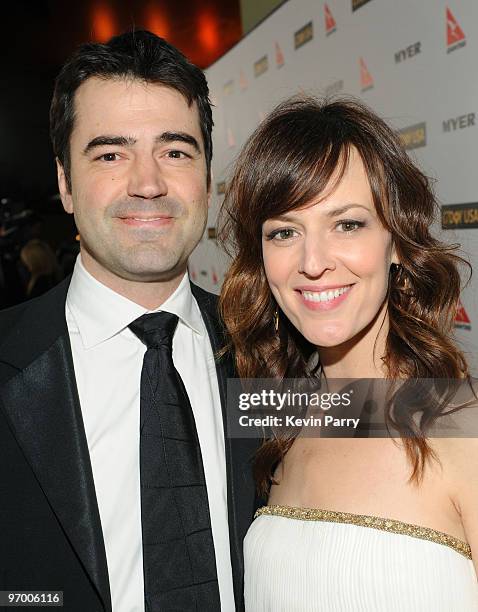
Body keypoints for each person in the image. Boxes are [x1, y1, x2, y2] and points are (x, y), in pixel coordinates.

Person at [0, 31, 257, 612]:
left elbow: (408, 425)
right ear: (65, 182)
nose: (148, 183)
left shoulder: (268, 353)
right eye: (111, 154)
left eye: (175, 151)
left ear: (208, 175)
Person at [218, 96, 478, 610]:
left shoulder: (461, 425)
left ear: (397, 240)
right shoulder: (274, 415)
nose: (312, 262)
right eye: (285, 232)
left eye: (348, 224)